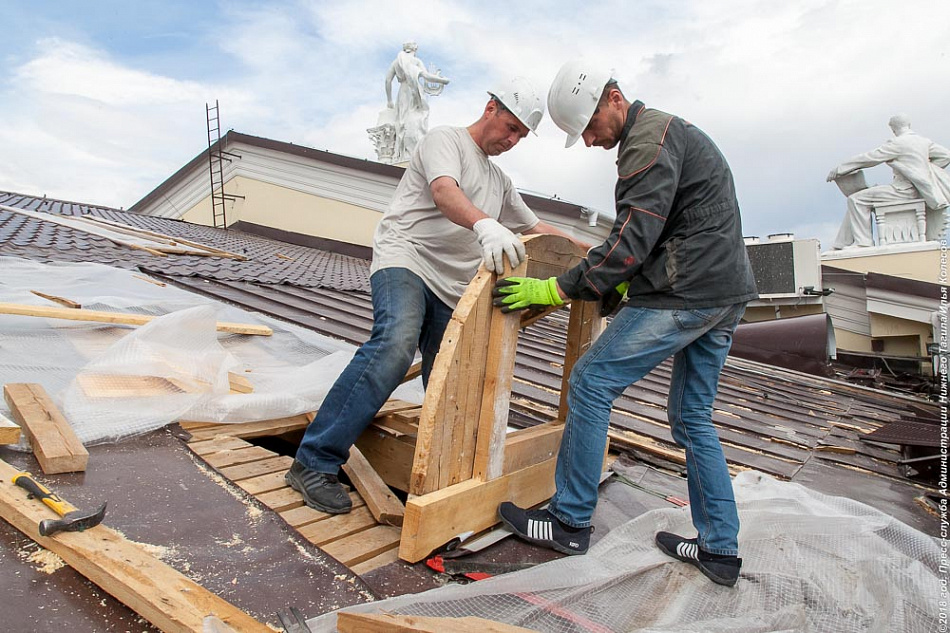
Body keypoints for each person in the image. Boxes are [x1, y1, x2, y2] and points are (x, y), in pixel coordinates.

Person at [493, 59, 758, 588]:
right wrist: (616, 281)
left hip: (688, 291)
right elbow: (656, 231)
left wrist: (559, 287)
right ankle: (720, 549)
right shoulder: (669, 133)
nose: (590, 142)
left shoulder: (647, 142)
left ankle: (569, 521)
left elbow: (632, 240)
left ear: (614, 98)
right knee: (692, 418)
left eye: (590, 128)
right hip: (725, 293)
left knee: (590, 383)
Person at [287, 76, 577, 516]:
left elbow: (538, 229)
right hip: (406, 257)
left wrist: (602, 256)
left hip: (451, 285)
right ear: (491, 108)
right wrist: (485, 224)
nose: (513, 139)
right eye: (511, 127)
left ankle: (444, 477)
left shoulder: (500, 181)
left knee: (452, 376)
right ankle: (314, 461)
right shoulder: (446, 141)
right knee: (396, 344)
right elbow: (445, 192)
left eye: (521, 135)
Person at [827, 114, 950, 249]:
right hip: (919, 191)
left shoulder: (897, 143)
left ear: (893, 129)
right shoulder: (923, 141)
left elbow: (869, 158)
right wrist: (926, 171)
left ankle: (863, 242)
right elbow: (946, 156)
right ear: (908, 125)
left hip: (903, 191)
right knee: (862, 196)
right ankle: (842, 243)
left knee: (856, 199)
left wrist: (840, 169)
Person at [385, 41, 450, 162]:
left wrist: (389, 100)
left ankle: (404, 153)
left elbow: (388, 80)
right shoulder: (415, 61)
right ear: (415, 48)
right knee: (416, 120)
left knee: (403, 122)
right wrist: (442, 80)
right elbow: (426, 76)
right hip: (413, 92)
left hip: (402, 93)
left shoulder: (397, 62)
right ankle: (411, 154)